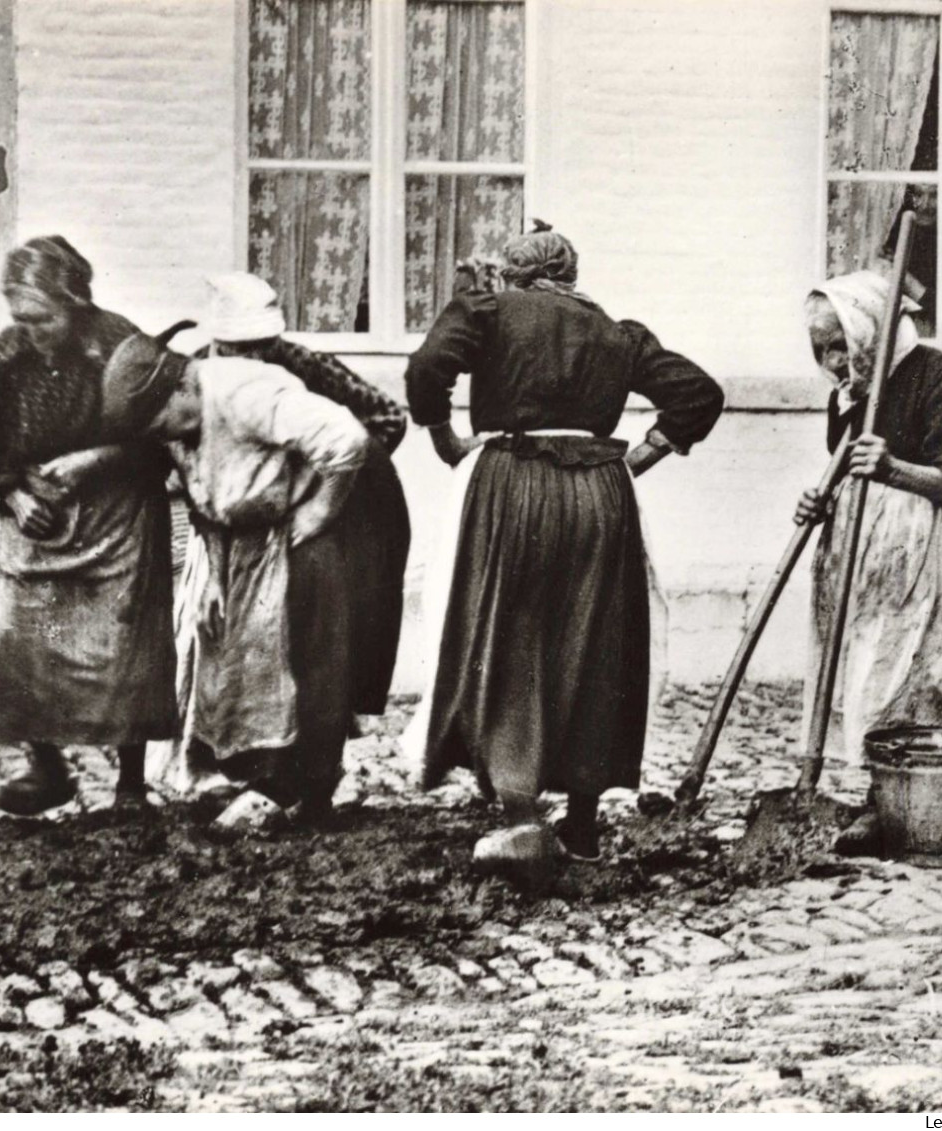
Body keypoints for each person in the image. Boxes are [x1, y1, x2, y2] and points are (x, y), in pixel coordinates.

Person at [402, 224, 724, 870]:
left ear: (513, 277)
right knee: (595, 643)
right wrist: (640, 455)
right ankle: (581, 826)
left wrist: (444, 441)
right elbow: (699, 394)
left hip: (514, 484)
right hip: (601, 494)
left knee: (512, 634)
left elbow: (426, 370)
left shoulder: (487, 311)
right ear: (571, 278)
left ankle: (521, 816)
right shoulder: (613, 329)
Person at [92, 324, 398, 825]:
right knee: (238, 646)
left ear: (182, 389)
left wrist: (321, 510)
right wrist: (212, 573)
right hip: (247, 529)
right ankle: (268, 780)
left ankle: (314, 794)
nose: (162, 437)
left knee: (310, 649)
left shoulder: (249, 392)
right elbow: (204, 499)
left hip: (333, 509)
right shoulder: (174, 424)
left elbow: (348, 439)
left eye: (159, 422)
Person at [160, 273, 411, 801]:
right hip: (233, 520)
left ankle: (307, 775)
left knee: (314, 639)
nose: (254, 354)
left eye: (262, 346)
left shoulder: (297, 364)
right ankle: (214, 763)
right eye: (243, 346)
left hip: (322, 509)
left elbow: (385, 419)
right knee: (219, 637)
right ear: (220, 342)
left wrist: (317, 494)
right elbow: (196, 475)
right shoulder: (191, 381)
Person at [0, 236, 177, 816]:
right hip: (39, 518)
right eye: (20, 318)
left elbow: (163, 439)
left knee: (123, 646)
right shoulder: (5, 356)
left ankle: (130, 784)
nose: (31, 330)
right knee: (22, 639)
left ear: (75, 301)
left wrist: (96, 459)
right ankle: (47, 768)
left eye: (43, 318)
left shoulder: (120, 347)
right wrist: (10, 493)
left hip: (116, 521)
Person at [794, 270, 942, 851]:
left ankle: (904, 808)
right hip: (865, 558)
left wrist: (894, 470)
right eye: (820, 349)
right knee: (863, 673)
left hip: (931, 553)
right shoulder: (852, 395)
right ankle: (877, 799)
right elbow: (845, 470)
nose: (832, 360)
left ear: (868, 331)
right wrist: (823, 499)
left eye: (840, 343)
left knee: (915, 675)